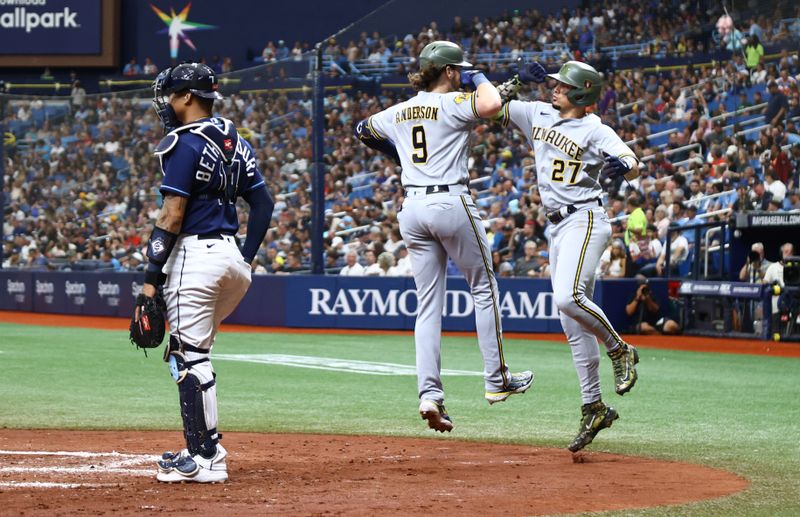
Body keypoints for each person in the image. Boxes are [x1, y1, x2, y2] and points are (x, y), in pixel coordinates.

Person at [355, 40, 533, 433]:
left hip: (412, 207)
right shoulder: (454, 103)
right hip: (450, 201)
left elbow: (362, 129)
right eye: (459, 70)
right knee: (483, 290)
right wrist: (478, 76)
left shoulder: (398, 111)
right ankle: (496, 380)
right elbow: (487, 104)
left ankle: (429, 395)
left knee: (428, 306)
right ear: (450, 72)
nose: (462, 75)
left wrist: (398, 155)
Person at [135, 63, 274, 483]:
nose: (167, 104)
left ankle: (205, 458)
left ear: (188, 97)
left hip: (196, 257)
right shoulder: (236, 140)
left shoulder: (183, 143)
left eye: (172, 96)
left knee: (187, 357)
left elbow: (172, 214)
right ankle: (207, 444)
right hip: (231, 259)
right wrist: (246, 257)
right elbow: (263, 205)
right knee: (196, 353)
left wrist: (149, 278)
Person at [497, 59, 640, 452]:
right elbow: (492, 106)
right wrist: (513, 81)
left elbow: (631, 160)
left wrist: (621, 167)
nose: (554, 88)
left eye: (562, 85)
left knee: (567, 297)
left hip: (586, 218)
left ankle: (620, 349)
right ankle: (593, 405)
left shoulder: (594, 128)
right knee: (570, 318)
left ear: (580, 92)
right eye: (556, 83)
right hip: (556, 226)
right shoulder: (537, 112)